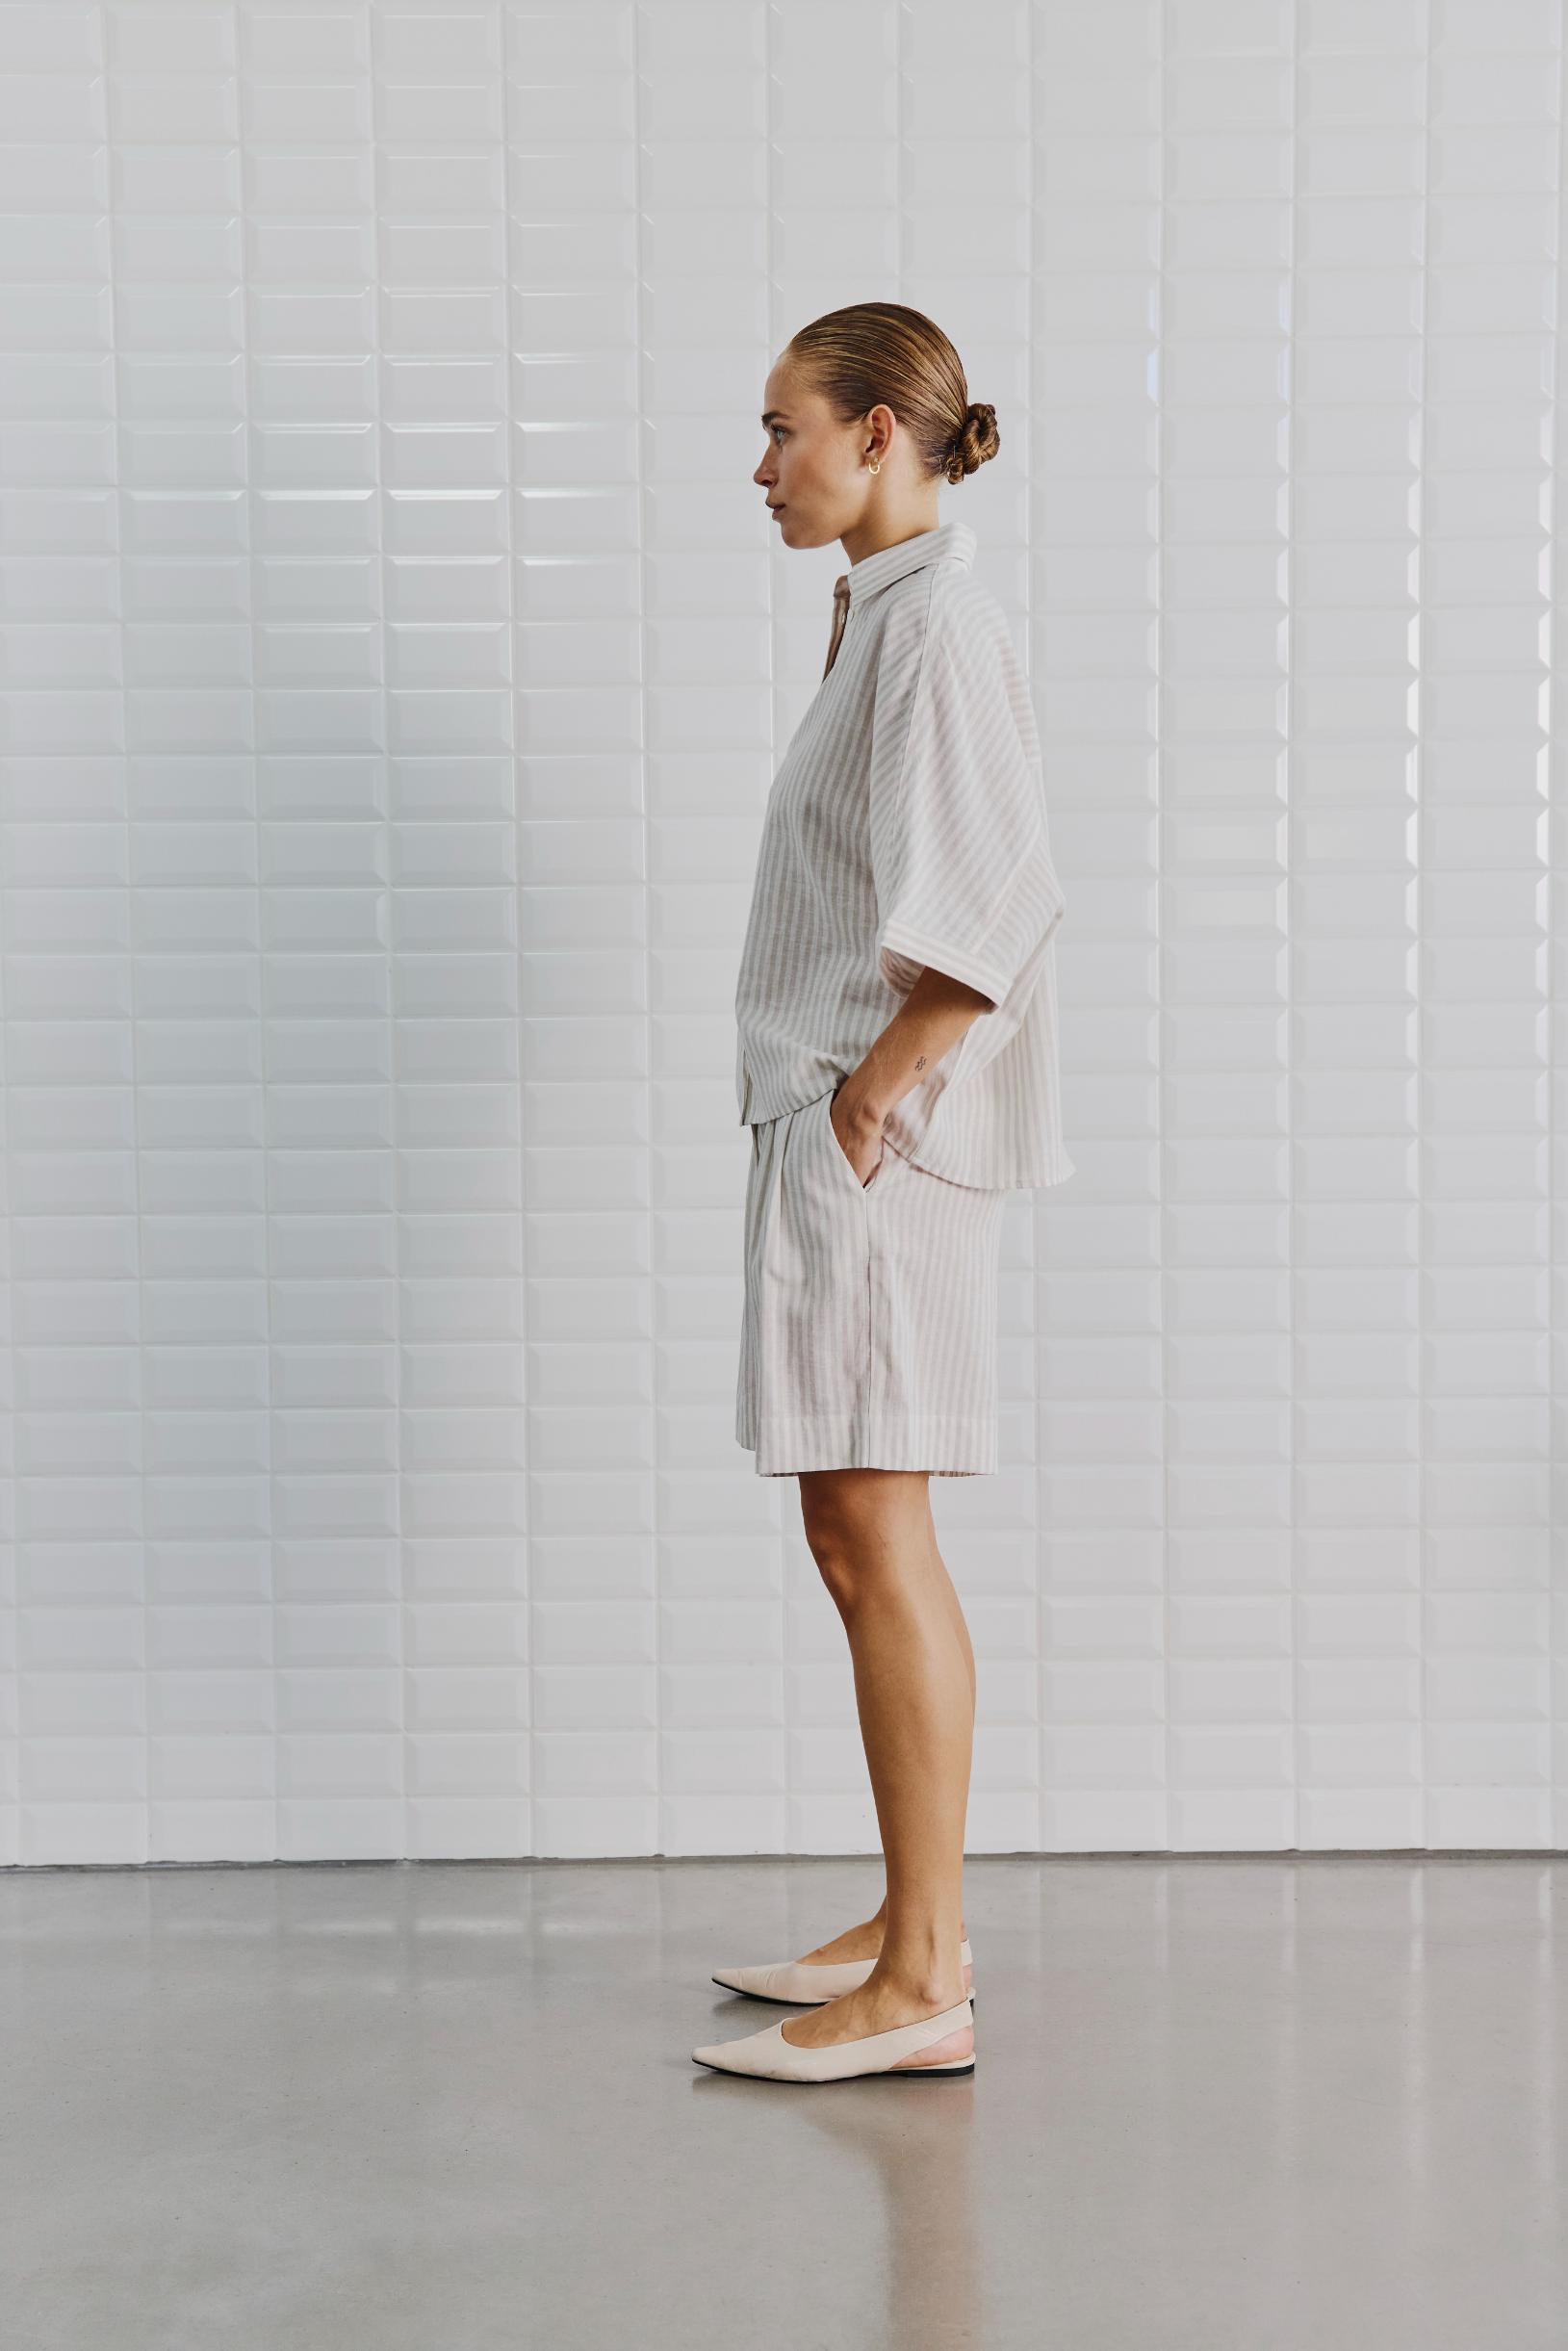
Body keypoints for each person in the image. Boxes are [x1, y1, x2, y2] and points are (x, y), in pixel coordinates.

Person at [693, 303, 1072, 2085]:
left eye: (783, 429)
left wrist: (866, 1098)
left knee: (874, 1530)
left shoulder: (936, 631)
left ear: (874, 433)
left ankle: (922, 1976)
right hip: (840, 1126)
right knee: (852, 1530)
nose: (760, 467)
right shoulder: (882, 614)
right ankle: (915, 1917)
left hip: (876, 1142)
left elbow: (996, 909)